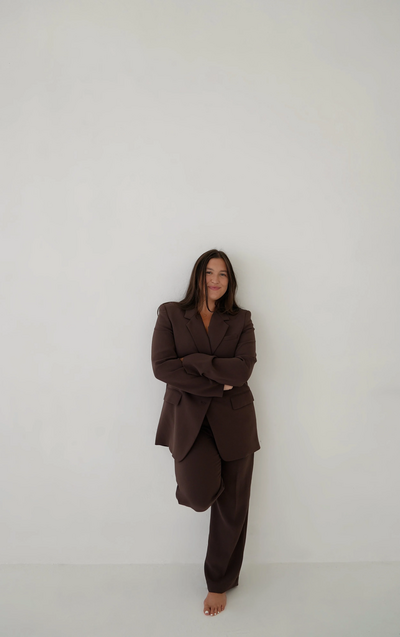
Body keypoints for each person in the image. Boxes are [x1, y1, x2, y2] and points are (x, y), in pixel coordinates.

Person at [151, 248, 260, 617]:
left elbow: (242, 371)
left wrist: (193, 361)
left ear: (230, 281)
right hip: (188, 421)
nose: (215, 280)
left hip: (235, 422)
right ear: (198, 276)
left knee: (233, 509)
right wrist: (217, 381)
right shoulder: (170, 313)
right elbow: (162, 367)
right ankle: (201, 483)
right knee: (199, 496)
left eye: (223, 274)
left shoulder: (241, 319)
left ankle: (219, 582)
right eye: (209, 272)